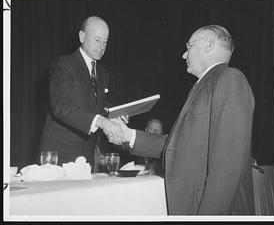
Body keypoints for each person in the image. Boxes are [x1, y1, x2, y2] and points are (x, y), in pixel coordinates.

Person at [109, 25, 255, 215]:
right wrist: (127, 134)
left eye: (189, 46)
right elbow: (175, 144)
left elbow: (227, 168)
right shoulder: (204, 86)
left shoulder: (230, 79)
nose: (184, 55)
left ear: (209, 45)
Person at [40, 16, 125, 167]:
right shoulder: (64, 64)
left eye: (105, 42)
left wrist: (114, 115)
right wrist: (102, 121)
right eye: (97, 40)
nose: (102, 46)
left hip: (87, 154)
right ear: (82, 36)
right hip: (59, 154)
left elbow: (95, 107)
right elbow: (61, 107)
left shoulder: (102, 72)